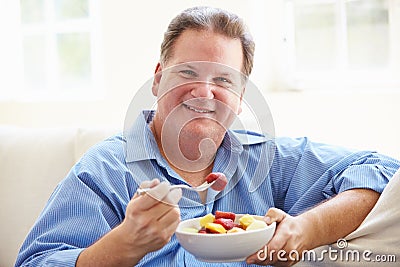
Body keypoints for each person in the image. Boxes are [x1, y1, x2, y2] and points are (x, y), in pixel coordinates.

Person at [15, 6, 400, 267]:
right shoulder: (103, 171)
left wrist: (306, 229)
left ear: (241, 96)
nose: (203, 92)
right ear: (157, 78)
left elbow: (381, 170)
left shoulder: (269, 162)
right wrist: (122, 245)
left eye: (223, 80)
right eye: (187, 73)